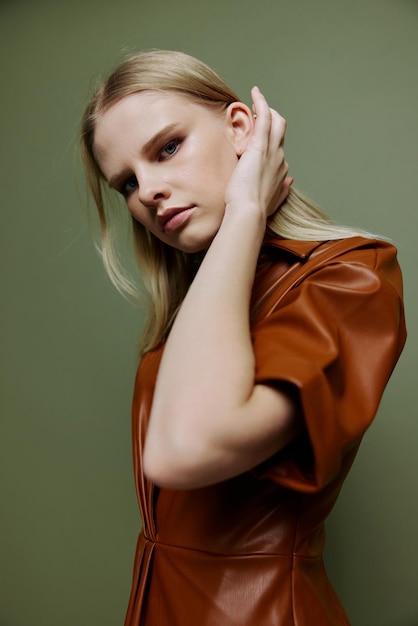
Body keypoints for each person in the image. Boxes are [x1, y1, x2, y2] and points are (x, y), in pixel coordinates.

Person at [80, 49, 406, 626]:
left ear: (240, 130)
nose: (149, 191)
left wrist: (247, 209)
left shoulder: (349, 276)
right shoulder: (202, 299)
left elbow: (184, 449)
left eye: (168, 148)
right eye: (127, 182)